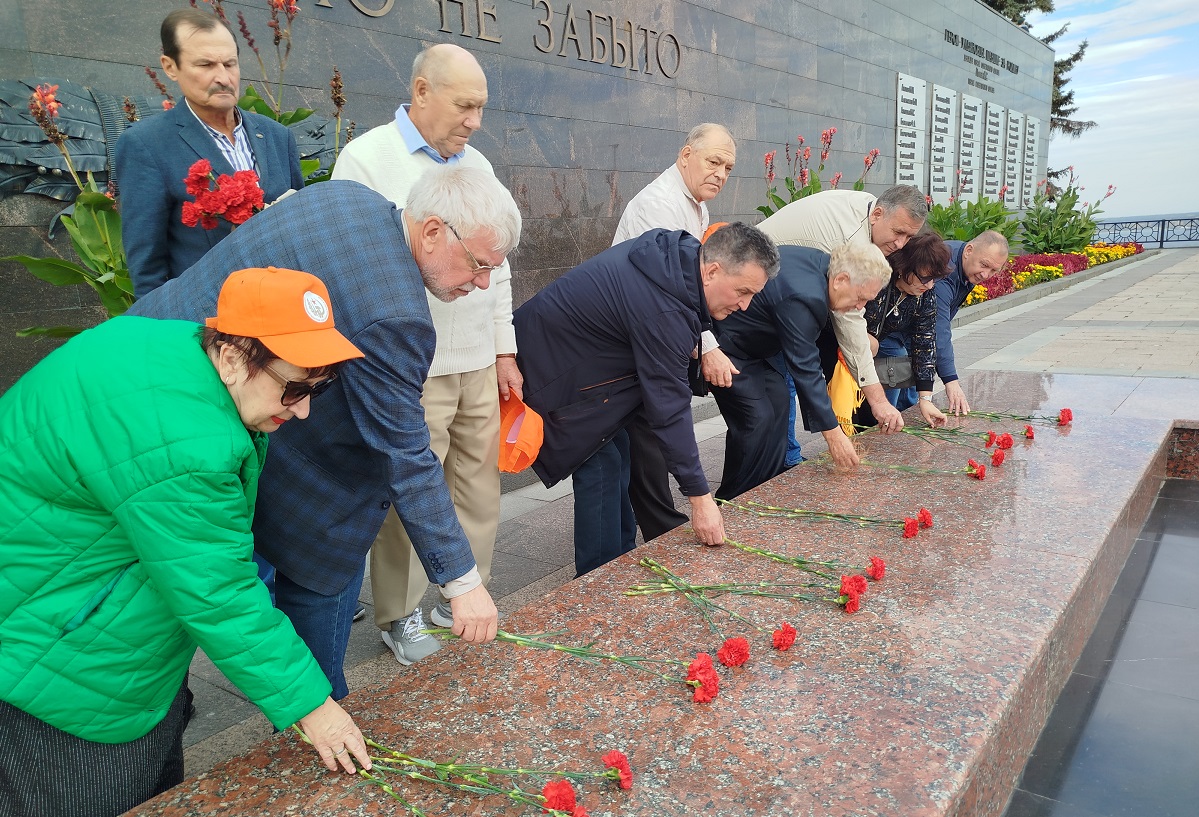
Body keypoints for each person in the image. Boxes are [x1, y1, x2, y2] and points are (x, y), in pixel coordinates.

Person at [127, 166, 520, 697]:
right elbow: (405, 451)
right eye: (477, 266)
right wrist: (463, 583)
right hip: (221, 424)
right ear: (432, 232)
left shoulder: (347, 197)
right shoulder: (395, 314)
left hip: (155, 361)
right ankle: (319, 713)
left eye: (490, 272)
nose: (479, 285)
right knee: (322, 576)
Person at [0, 267, 370, 817]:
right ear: (230, 357)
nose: (304, 408)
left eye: (319, 387)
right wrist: (316, 709)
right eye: (294, 387)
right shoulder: (187, 441)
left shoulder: (173, 350)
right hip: (64, 663)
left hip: (61, 579)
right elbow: (217, 590)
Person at [331, 44, 517, 666]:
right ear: (421, 92)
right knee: (411, 488)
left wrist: (504, 349)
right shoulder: (367, 158)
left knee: (478, 484)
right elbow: (350, 263)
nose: (473, 120)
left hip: (473, 356)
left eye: (480, 108)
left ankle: (462, 591)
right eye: (464, 105)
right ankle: (401, 613)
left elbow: (501, 264)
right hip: (408, 363)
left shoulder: (480, 164)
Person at [514, 222, 780, 576]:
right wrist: (701, 500)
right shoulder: (664, 307)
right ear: (713, 270)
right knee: (601, 464)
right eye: (742, 291)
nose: (745, 306)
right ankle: (598, 581)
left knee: (619, 451)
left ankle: (618, 561)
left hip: (579, 369)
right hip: (552, 376)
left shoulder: (677, 264)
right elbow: (669, 408)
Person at [610, 123, 741, 545]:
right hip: (631, 335)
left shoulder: (695, 207)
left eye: (728, 167)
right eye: (713, 161)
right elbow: (675, 286)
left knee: (650, 431)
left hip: (657, 330)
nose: (721, 173)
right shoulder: (659, 205)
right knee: (649, 430)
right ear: (686, 155)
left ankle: (653, 520)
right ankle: (662, 526)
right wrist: (709, 347)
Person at [116, 7, 304, 299]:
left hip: (285, 309)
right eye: (205, 65)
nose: (223, 78)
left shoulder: (277, 136)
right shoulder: (147, 145)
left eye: (230, 64)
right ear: (170, 66)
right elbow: (148, 271)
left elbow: (301, 228)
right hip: (206, 325)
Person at [711, 241, 892, 499]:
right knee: (756, 418)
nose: (861, 306)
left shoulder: (824, 266)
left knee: (779, 404)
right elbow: (806, 368)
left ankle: (763, 488)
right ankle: (733, 501)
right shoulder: (805, 295)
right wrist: (834, 435)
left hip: (760, 349)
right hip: (729, 343)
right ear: (841, 279)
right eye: (861, 297)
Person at [757, 185, 928, 439]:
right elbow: (850, 324)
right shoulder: (851, 238)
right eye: (898, 232)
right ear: (878, 214)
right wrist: (879, 402)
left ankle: (785, 457)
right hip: (756, 289)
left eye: (908, 237)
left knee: (781, 391)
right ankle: (785, 460)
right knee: (779, 390)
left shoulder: (870, 210)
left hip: (783, 289)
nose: (901, 244)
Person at [877, 230, 1010, 414]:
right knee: (895, 365)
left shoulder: (959, 270)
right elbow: (939, 330)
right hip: (882, 334)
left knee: (912, 370)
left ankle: (905, 414)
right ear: (969, 250)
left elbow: (926, 335)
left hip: (905, 329)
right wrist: (950, 381)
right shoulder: (941, 271)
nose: (986, 275)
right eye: (984, 265)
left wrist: (926, 398)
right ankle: (884, 419)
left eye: (994, 270)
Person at [856, 230, 952, 429]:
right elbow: (847, 313)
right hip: (845, 341)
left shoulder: (926, 294)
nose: (930, 285)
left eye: (935, 279)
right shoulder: (878, 278)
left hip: (875, 345)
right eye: (925, 278)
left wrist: (925, 399)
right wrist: (861, 337)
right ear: (904, 268)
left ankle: (878, 425)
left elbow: (925, 342)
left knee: (893, 366)